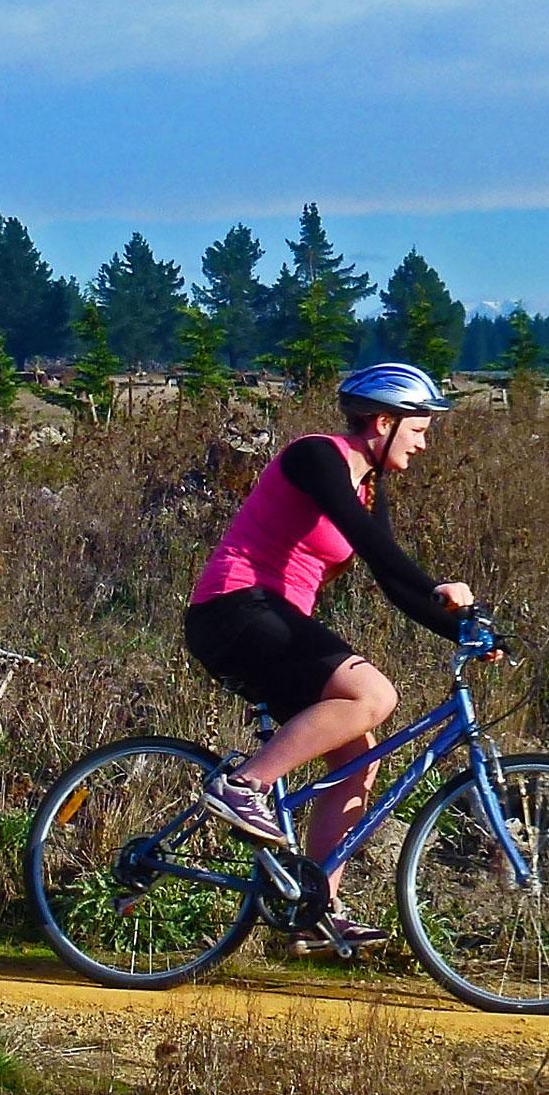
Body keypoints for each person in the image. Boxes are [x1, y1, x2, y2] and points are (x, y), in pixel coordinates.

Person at [183, 362, 473, 952]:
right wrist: (442, 588)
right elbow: (372, 545)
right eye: (418, 428)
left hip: (274, 620)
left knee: (358, 756)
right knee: (374, 696)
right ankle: (244, 787)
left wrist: (464, 630)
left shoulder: (369, 486)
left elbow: (392, 582)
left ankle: (314, 910)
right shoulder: (318, 457)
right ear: (383, 422)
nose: (424, 443)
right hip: (235, 610)